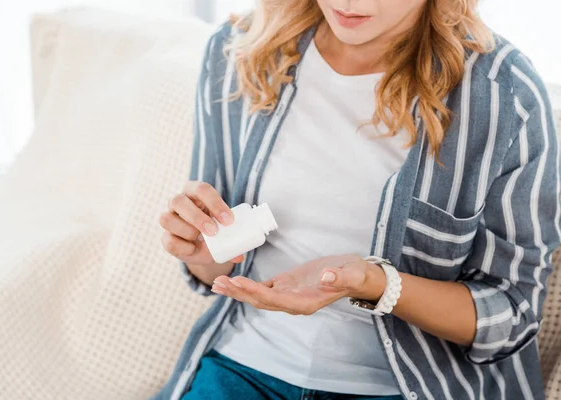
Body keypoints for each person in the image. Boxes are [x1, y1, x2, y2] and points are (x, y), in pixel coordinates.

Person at [154, 0, 561, 399]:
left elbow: (512, 314)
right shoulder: (241, 50)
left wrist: (377, 283)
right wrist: (201, 248)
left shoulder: (502, 95)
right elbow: (217, 271)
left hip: (405, 385)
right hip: (244, 366)